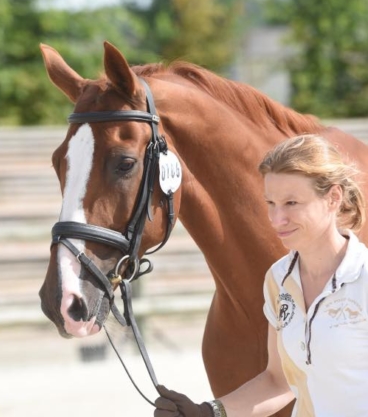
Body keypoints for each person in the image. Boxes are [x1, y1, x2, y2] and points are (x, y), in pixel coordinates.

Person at [154, 134, 368, 417]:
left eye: (291, 203)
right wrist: (208, 412)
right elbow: (278, 381)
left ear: (333, 198)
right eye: (271, 203)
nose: (277, 219)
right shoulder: (278, 279)